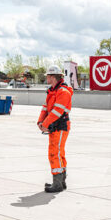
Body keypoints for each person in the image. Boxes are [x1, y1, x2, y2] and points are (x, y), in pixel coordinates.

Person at [37, 65, 73, 193]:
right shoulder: (52, 91)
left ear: (53, 77)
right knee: (58, 153)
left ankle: (57, 184)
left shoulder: (63, 92)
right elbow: (45, 108)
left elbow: (57, 112)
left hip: (60, 126)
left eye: (47, 75)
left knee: (55, 153)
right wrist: (40, 122)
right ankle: (60, 182)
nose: (46, 77)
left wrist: (45, 124)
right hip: (54, 127)